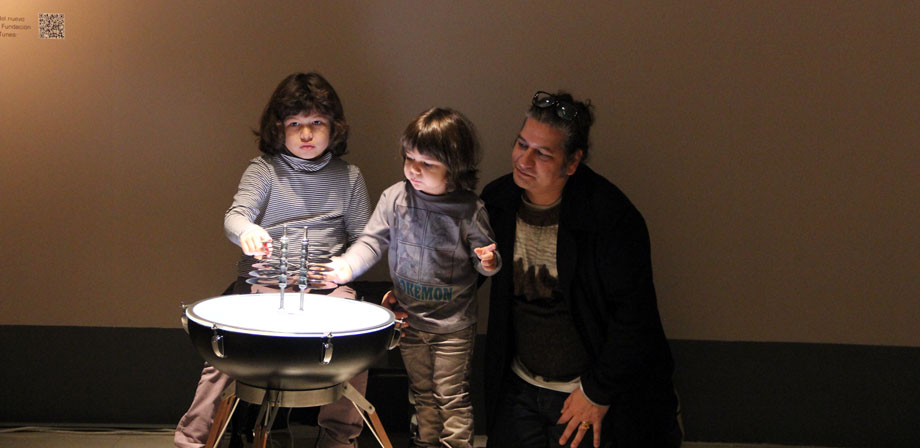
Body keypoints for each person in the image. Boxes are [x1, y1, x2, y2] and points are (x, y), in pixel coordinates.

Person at [174, 72, 372, 448]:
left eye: (317, 122)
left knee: (356, 342)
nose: (306, 134)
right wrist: (247, 231)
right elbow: (235, 217)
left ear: (334, 127)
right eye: (295, 124)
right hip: (263, 286)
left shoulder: (349, 177)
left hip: (326, 289)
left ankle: (339, 438)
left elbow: (366, 239)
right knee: (222, 353)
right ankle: (191, 439)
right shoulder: (264, 170)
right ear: (279, 128)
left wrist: (348, 265)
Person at [480, 91, 682, 448]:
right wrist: (410, 301)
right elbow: (462, 273)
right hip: (520, 386)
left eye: (543, 153)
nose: (524, 160)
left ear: (572, 163)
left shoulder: (610, 218)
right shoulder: (498, 202)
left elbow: (635, 317)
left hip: (587, 390)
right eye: (522, 144)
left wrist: (596, 391)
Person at [326, 107, 501, 448]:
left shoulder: (469, 209)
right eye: (410, 159)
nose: (414, 170)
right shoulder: (395, 198)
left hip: (452, 327)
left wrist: (489, 262)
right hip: (409, 321)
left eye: (428, 164)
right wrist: (347, 266)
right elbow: (372, 241)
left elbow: (486, 264)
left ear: (455, 167)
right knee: (422, 395)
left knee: (451, 397)